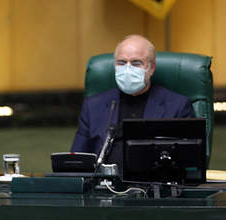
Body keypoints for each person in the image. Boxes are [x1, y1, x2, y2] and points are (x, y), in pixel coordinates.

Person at [71, 34, 195, 166]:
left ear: (151, 68)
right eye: (121, 63)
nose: (127, 69)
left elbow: (190, 160)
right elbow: (76, 160)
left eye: (136, 63)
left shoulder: (178, 106)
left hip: (154, 178)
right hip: (103, 177)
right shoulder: (93, 106)